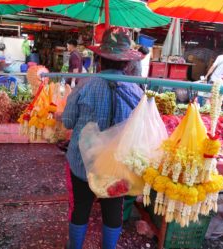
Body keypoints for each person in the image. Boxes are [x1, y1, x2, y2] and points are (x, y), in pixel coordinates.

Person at [62, 27, 143, 249]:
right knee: (113, 211)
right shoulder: (137, 92)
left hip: (82, 163)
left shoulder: (84, 85)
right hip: (117, 165)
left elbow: (68, 122)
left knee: (80, 208)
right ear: (127, 64)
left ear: (98, 60)